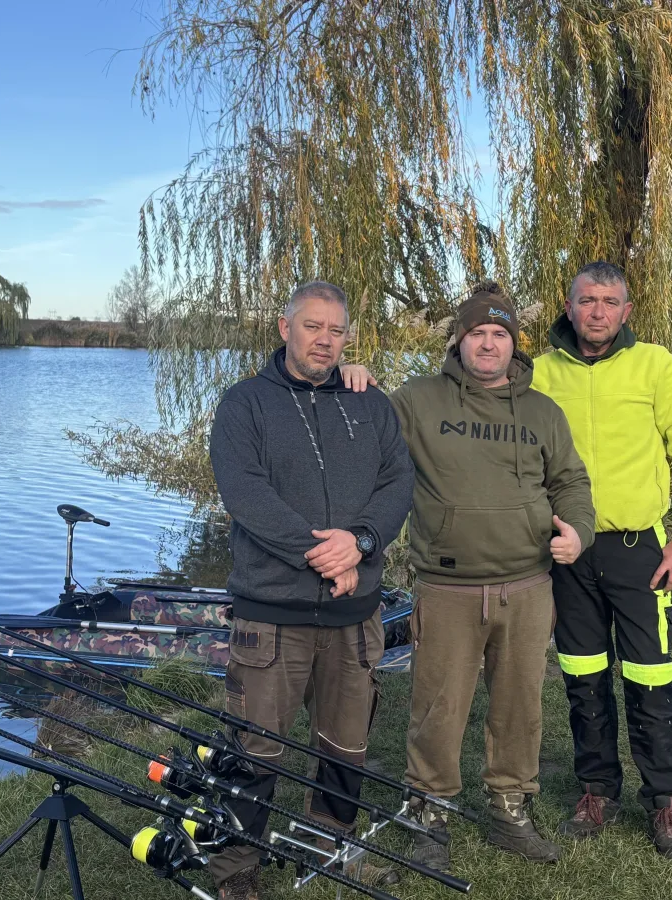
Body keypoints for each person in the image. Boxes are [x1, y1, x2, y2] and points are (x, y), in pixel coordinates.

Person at [207, 281, 415, 900]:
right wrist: (323, 555)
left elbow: (398, 480)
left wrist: (362, 542)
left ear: (348, 337)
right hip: (272, 615)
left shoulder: (370, 403)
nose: (324, 340)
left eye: (336, 330)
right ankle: (236, 869)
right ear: (285, 328)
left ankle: (327, 842)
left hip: (354, 614)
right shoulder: (244, 404)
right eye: (312, 326)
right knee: (254, 747)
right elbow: (246, 494)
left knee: (346, 744)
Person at [386, 282, 595, 869]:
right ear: (459, 340)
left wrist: (579, 531)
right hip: (447, 587)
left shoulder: (542, 412)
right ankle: (429, 815)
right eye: (476, 332)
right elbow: (364, 440)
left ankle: (510, 809)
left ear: (513, 344)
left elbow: (571, 483)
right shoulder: (418, 400)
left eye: (499, 333)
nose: (487, 343)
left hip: (528, 587)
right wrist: (351, 379)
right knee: (438, 708)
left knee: (519, 707)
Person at [532, 261, 672, 860]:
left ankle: (664, 801)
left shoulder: (654, 365)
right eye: (588, 300)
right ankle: (596, 790)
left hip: (639, 551)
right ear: (569, 306)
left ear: (627, 311)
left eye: (610, 302)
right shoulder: (540, 374)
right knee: (582, 676)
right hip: (568, 551)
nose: (598, 311)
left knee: (651, 677)